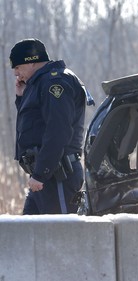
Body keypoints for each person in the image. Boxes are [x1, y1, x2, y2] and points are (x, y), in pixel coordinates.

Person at [9, 38, 94, 214]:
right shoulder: (39, 83)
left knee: (63, 235)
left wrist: (41, 173)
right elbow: (34, 124)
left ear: (31, 62)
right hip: (44, 176)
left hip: (58, 176)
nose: (16, 73)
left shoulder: (54, 82)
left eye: (17, 67)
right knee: (28, 234)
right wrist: (21, 97)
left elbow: (58, 131)